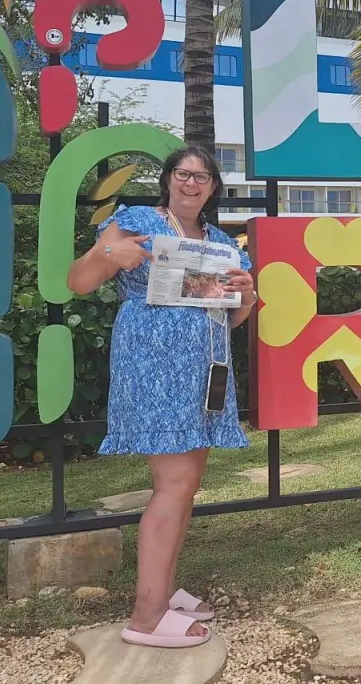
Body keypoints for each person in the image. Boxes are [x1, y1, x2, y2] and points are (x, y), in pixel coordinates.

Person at [66, 144, 254, 649]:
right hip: (154, 364)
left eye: (203, 176)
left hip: (207, 367)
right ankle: (146, 617)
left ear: (213, 188)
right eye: (183, 173)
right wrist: (108, 252)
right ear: (168, 179)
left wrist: (247, 295)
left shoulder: (219, 243)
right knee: (173, 482)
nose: (192, 183)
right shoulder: (139, 220)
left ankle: (164, 592)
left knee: (187, 482)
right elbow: (78, 281)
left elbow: (233, 317)